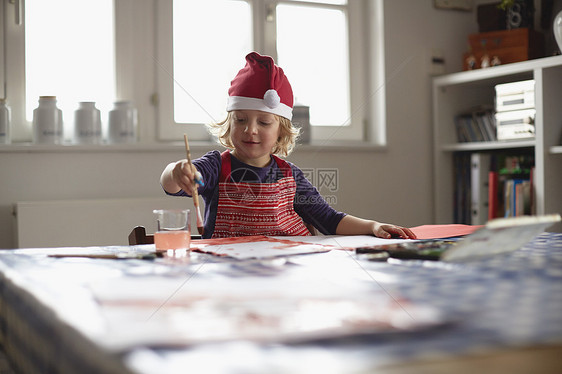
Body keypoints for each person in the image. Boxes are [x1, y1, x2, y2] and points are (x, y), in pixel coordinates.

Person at [160, 52, 416, 240]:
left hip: (288, 270)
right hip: (227, 274)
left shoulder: (289, 175)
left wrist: (372, 225)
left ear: (281, 130)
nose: (251, 129)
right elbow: (172, 185)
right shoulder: (215, 168)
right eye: (240, 120)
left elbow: (328, 219)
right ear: (229, 123)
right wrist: (177, 171)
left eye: (263, 121)